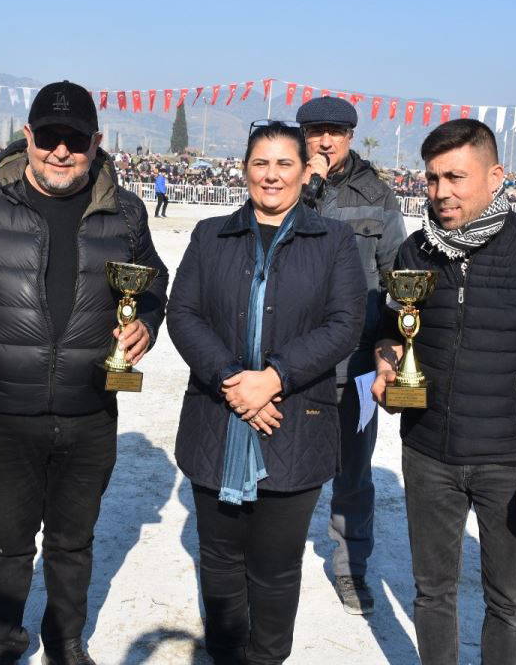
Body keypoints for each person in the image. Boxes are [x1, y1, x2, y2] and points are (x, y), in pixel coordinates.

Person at [0, 81, 168, 665]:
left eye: (75, 138)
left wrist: (146, 324)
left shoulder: (126, 211)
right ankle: (3, 643)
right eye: (49, 136)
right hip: (4, 409)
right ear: (28, 136)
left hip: (89, 407)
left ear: (96, 141)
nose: (61, 150)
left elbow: (152, 282)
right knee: (8, 542)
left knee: (73, 542)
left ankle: (65, 641)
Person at [169, 119, 364, 665]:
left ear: (306, 171)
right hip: (217, 417)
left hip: (295, 421)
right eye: (261, 163)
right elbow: (183, 314)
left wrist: (274, 378)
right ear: (244, 169)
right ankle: (226, 653)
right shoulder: (211, 235)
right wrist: (233, 381)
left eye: (284, 163)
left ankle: (267, 657)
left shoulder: (334, 241)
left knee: (276, 567)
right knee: (220, 560)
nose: (271, 175)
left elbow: (344, 324)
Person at [372, 118, 516, 665]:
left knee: (508, 599)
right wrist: (386, 362)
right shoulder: (414, 252)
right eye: (432, 178)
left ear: (495, 176)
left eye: (455, 177)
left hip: (509, 458)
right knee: (433, 592)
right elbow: (391, 330)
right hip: (427, 449)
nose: (441, 192)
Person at [296, 95, 407, 614]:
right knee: (281, 466)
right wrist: (306, 188)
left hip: (355, 363)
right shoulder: (286, 182)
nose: (324, 141)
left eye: (334, 132)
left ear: (350, 136)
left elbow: (396, 278)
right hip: (292, 360)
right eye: (315, 131)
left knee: (354, 476)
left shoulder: (376, 195)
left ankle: (350, 568)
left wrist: (391, 346)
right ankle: (272, 561)